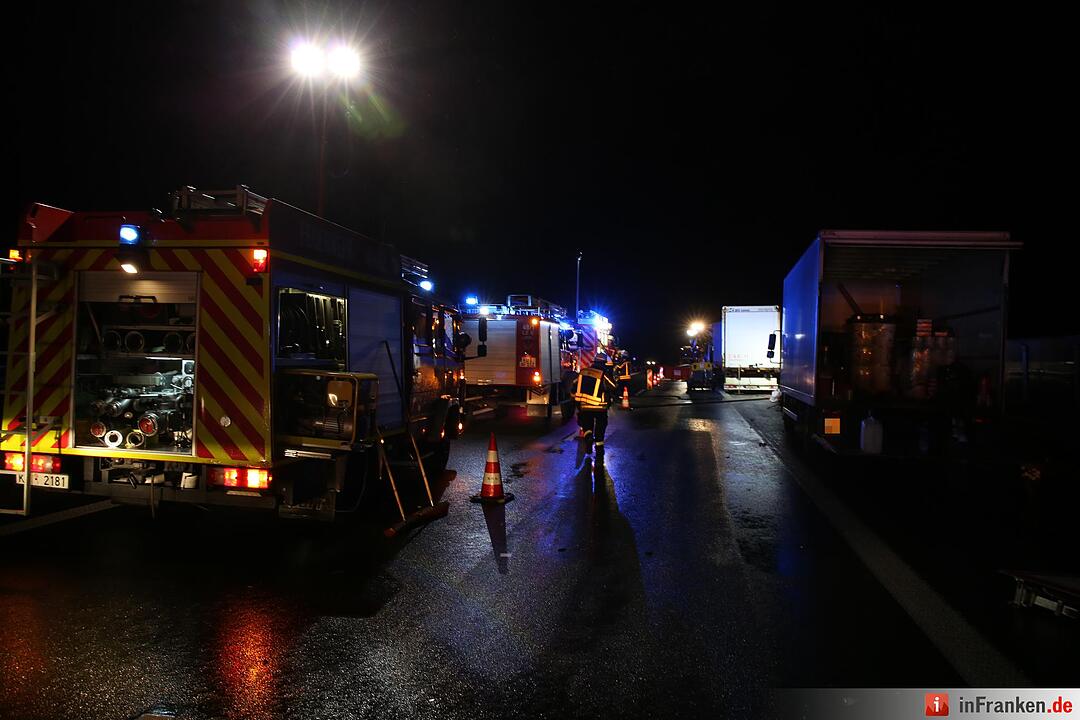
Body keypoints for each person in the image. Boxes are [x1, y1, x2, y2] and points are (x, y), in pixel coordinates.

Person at [573, 354, 617, 457]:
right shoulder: (603, 373)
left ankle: (588, 437)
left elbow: (574, 386)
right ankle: (599, 447)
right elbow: (613, 386)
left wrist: (577, 402)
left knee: (587, 425)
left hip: (584, 406)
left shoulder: (583, 372)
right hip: (599, 406)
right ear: (603, 363)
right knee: (600, 426)